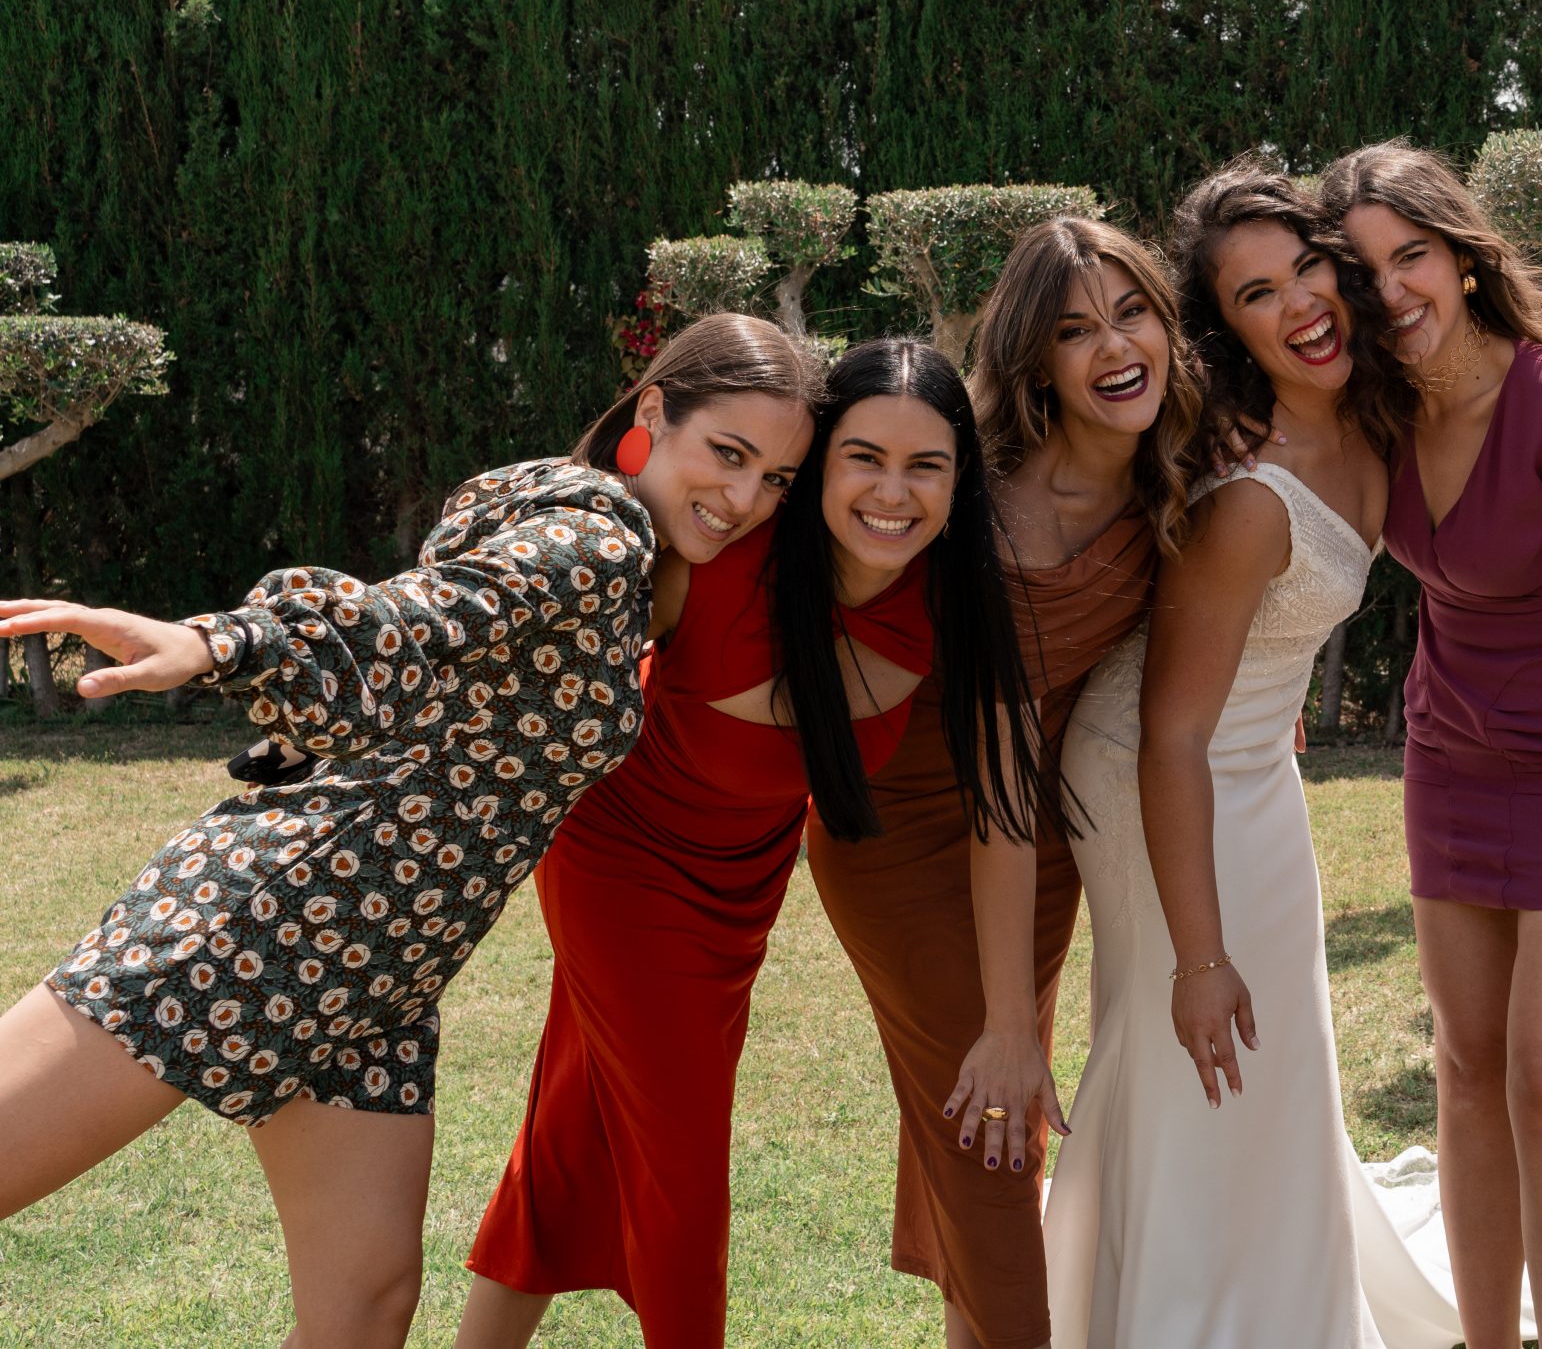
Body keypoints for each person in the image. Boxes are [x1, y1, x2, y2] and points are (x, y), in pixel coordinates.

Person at [0, 313, 820, 1349]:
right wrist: (221, 641)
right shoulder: (599, 540)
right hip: (272, 922)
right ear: (653, 410)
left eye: (776, 479)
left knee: (365, 1310)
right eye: (729, 454)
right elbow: (424, 614)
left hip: (383, 974)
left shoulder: (607, 534)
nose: (745, 499)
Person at [457, 338, 1036, 1347]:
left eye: (925, 465)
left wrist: (1014, 1021)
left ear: (960, 482)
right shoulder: (711, 561)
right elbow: (511, 635)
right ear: (820, 467)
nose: (891, 493)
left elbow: (1003, 809)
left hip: (743, 887)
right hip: (620, 862)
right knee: (681, 1161)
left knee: (574, 1131)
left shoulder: (954, 598)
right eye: (863, 458)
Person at [801, 222, 1202, 1349]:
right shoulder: (990, 507)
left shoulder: (1173, 464)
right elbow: (996, 795)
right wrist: (1010, 1022)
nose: (1114, 347)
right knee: (996, 1108)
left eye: (1132, 313)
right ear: (1034, 361)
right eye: (1075, 330)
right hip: (913, 837)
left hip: (1044, 847)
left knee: (986, 1120)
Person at [1317, 142, 1542, 1349]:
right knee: (1467, 1070)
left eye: (1411, 257)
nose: (1392, 292)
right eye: (1363, 274)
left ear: (1464, 259)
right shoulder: (1371, 416)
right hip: (1451, 758)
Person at [1042, 162, 1407, 1348]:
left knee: (1273, 1034)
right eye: (1256, 294)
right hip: (1157, 768)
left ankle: (1274, 1294)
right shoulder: (1250, 494)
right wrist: (1197, 957)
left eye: (1307, 268)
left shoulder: (1367, 418)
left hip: (1251, 759)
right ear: (1226, 329)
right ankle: (1178, 1309)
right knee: (1195, 1023)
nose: (1299, 304)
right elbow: (1169, 733)